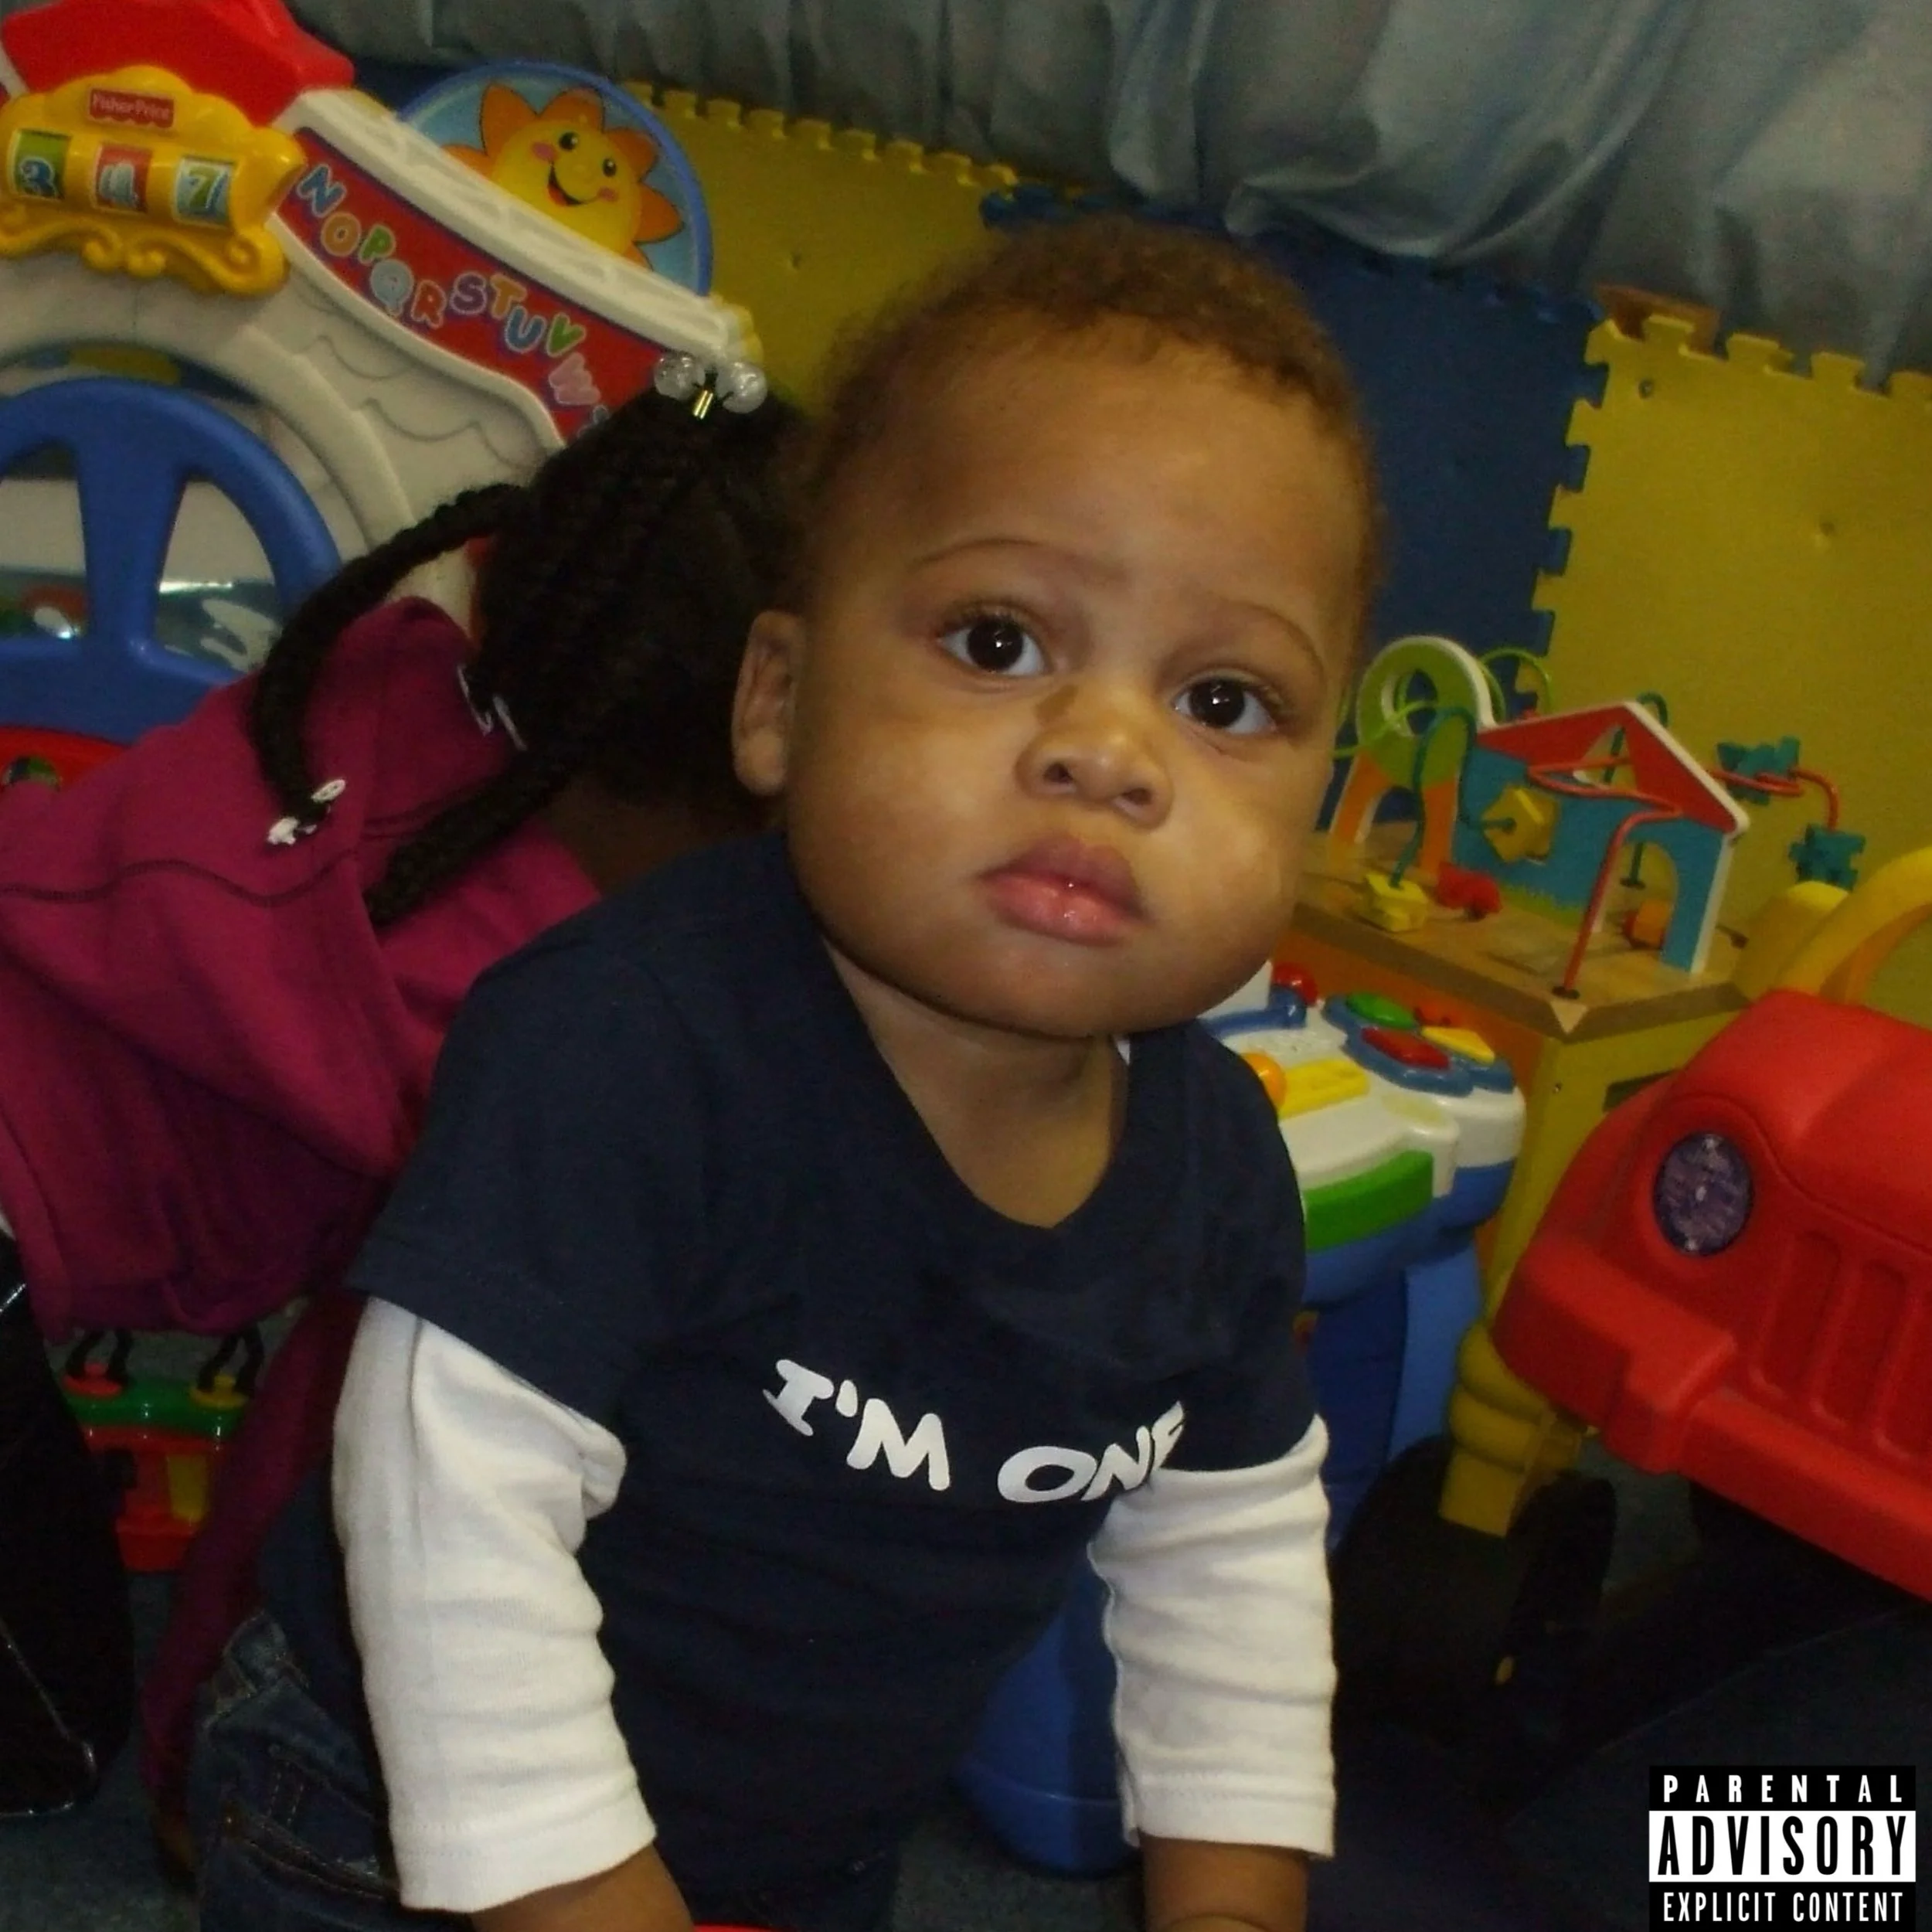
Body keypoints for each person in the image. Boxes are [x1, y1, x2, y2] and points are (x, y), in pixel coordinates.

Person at [192, 213, 1383, 1932]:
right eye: (995, 642)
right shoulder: (619, 1046)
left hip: (796, 1842)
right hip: (401, 1812)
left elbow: (1223, 1546)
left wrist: (1228, 1896)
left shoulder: (1210, 1169)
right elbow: (451, 1495)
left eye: (1221, 696)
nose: (1105, 752)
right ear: (778, 695)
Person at [0, 376, 793, 1828]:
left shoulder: (388, 666)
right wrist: (207, 1764)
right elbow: (342, 1453)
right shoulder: (523, 1022)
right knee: (56, 1739)